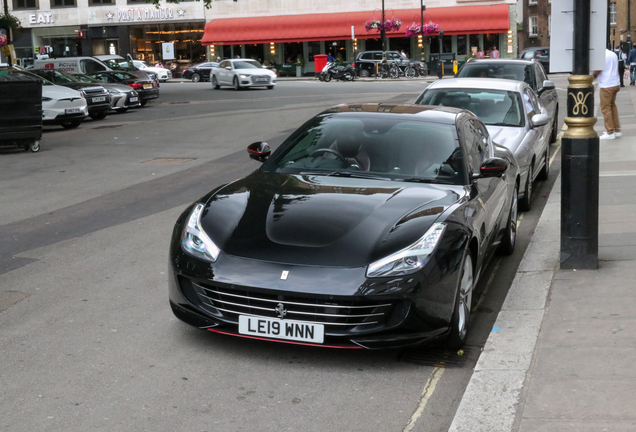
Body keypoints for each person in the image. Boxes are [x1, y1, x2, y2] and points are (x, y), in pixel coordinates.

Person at [594, 49, 621, 140]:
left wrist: (591, 77)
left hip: (606, 85)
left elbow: (597, 71)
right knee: (612, 106)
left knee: (605, 109)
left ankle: (610, 132)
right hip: (615, 83)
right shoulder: (613, 54)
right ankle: (616, 130)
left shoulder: (601, 56)